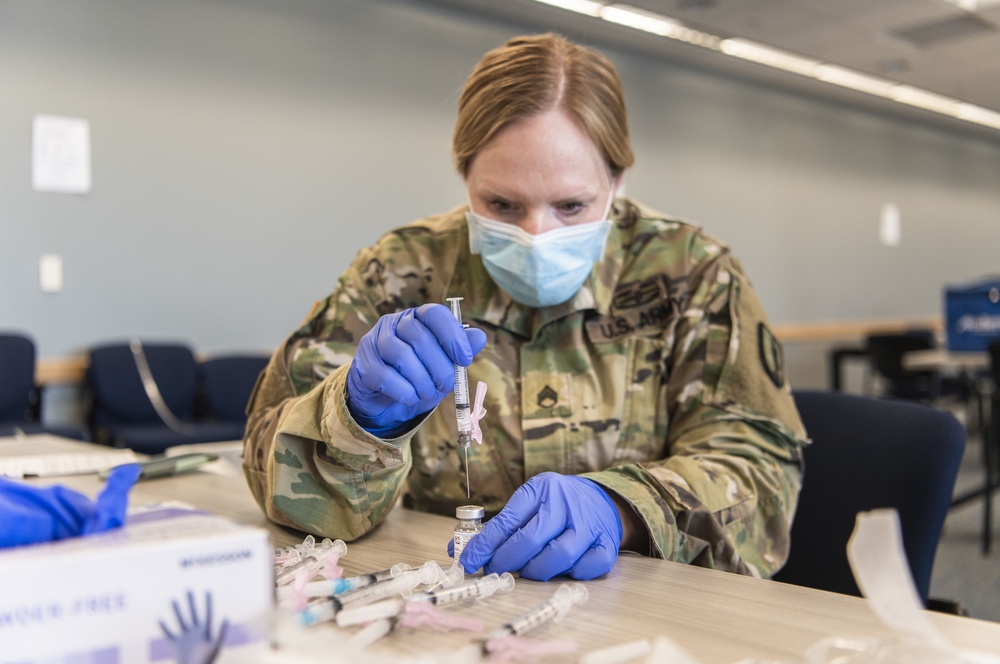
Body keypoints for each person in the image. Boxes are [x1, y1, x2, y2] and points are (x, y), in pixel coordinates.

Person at [242, 33, 808, 583]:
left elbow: (760, 476)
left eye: (571, 205)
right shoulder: (401, 270)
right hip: (444, 602)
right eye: (502, 204)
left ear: (617, 180)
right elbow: (268, 471)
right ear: (464, 177)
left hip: (642, 616)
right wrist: (354, 422)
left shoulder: (691, 272)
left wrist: (624, 508)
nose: (536, 234)